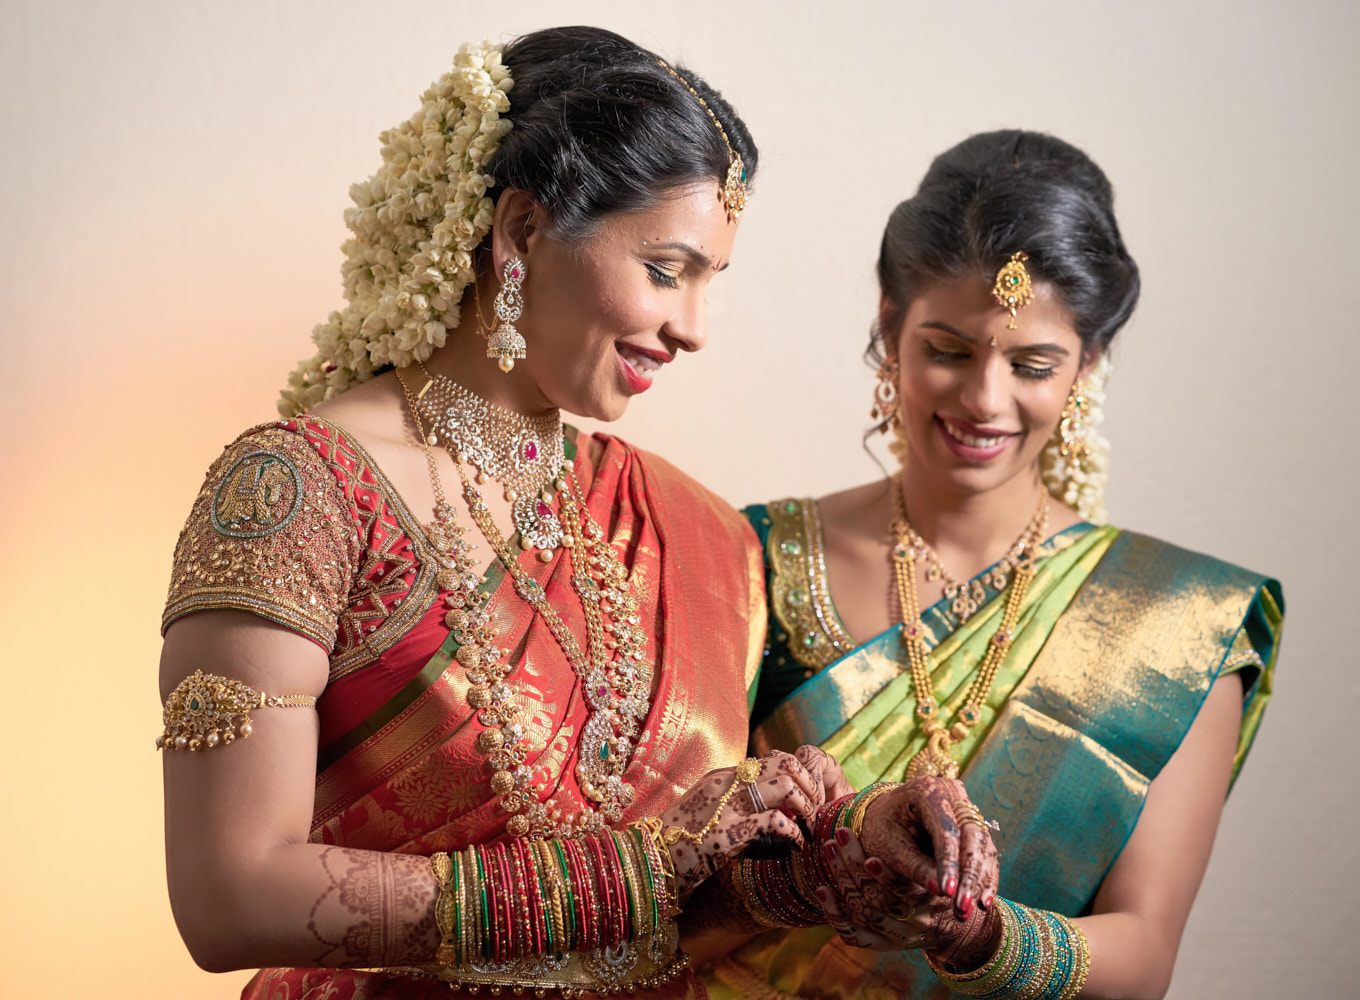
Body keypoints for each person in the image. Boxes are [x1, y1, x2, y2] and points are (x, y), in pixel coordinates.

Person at [157, 28, 987, 1000]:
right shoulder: (296, 496)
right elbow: (226, 897)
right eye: (668, 269)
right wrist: (634, 868)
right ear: (521, 231)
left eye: (713, 281)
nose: (694, 328)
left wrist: (837, 860)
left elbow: (687, 906)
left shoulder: (699, 534)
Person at [711, 131, 1285, 1000]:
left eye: (1032, 364)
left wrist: (977, 933)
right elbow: (677, 870)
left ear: (1086, 364)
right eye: (947, 350)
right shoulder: (749, 559)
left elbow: (1143, 951)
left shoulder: (1176, 622)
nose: (984, 399)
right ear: (888, 326)